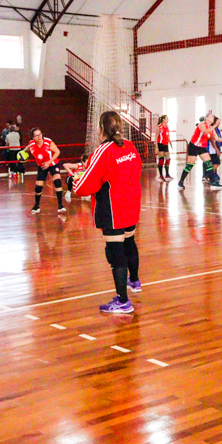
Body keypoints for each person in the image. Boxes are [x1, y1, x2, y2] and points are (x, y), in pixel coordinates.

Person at [73, 111, 142, 314]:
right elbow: (136, 170)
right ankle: (134, 281)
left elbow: (85, 185)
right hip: (131, 203)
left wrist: (74, 182)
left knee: (114, 250)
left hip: (113, 207)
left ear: (101, 129)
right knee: (129, 241)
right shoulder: (129, 146)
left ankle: (123, 301)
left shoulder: (103, 151)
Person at [21, 128, 65, 214]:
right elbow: (27, 149)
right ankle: (36, 206)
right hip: (42, 166)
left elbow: (57, 151)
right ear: (33, 137)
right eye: (36, 135)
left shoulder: (48, 142)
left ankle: (61, 206)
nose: (39, 136)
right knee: (38, 187)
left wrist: (49, 162)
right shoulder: (31, 144)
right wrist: (22, 153)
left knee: (57, 182)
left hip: (52, 164)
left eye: (40, 134)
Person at [177, 116, 214, 190]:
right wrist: (214, 127)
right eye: (210, 118)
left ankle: (213, 181)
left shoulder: (211, 128)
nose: (211, 119)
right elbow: (204, 131)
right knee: (190, 165)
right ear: (206, 118)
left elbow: (216, 138)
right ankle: (181, 181)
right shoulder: (202, 124)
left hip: (202, 147)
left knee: (209, 163)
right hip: (194, 146)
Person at [155, 115, 173, 181]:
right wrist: (156, 147)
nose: (168, 120)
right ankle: (161, 175)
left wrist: (170, 142)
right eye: (166, 119)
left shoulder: (167, 127)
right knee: (161, 160)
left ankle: (167, 174)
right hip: (160, 144)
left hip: (166, 144)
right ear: (163, 120)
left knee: (168, 159)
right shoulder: (159, 127)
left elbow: (167, 135)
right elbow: (156, 137)